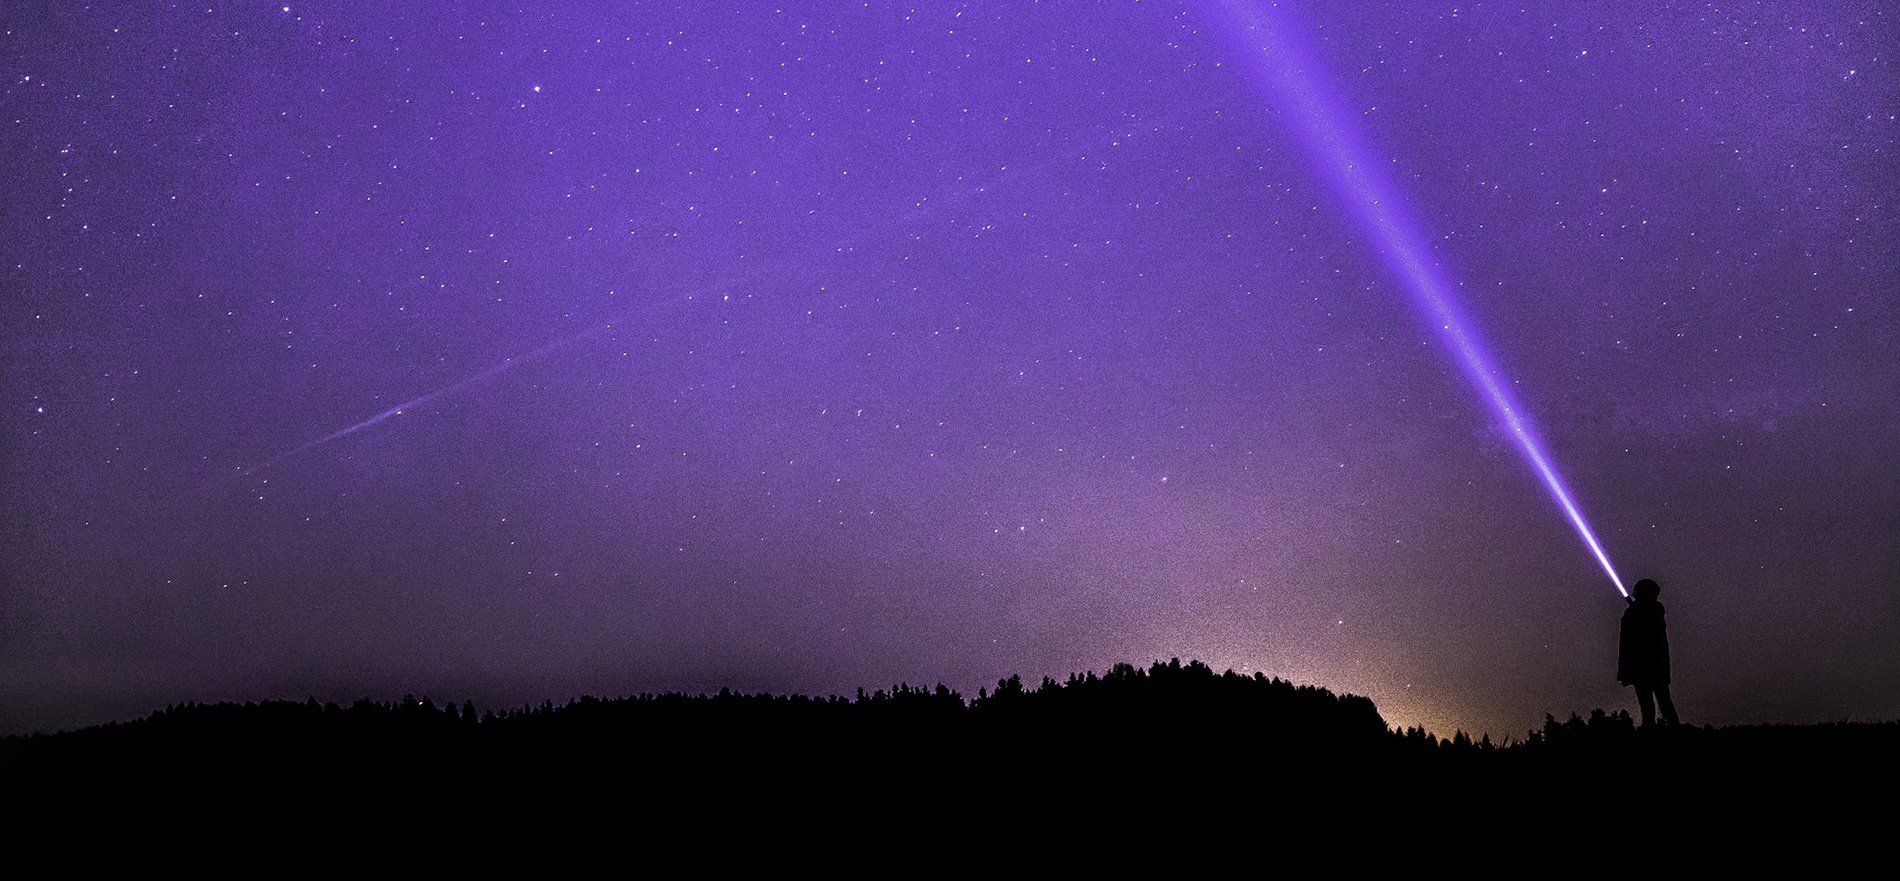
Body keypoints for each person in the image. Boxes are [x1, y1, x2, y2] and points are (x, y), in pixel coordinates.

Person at [1617, 578, 1679, 727]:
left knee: (1655, 703)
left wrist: (1636, 611)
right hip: (1652, 664)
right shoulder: (1653, 611)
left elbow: (1638, 633)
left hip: (1644, 664)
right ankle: (1668, 730)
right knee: (1657, 702)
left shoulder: (1650, 612)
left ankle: (1660, 732)